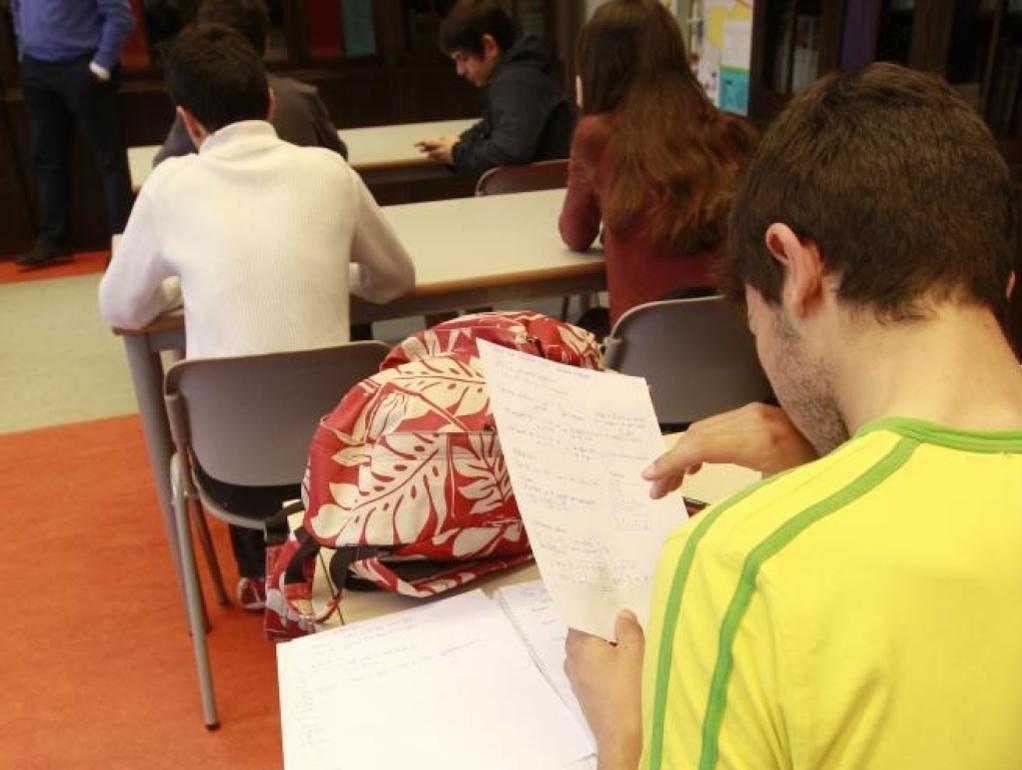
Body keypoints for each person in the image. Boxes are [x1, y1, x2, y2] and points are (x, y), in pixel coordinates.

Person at [564, 64, 1022, 770]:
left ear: (794, 268)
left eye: (755, 327)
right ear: (997, 282)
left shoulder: (741, 566)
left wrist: (624, 737)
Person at [98, 24, 414, 610]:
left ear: (188, 120)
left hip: (230, 475)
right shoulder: (328, 171)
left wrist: (185, 286)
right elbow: (396, 280)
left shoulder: (170, 187)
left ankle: (255, 575)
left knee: (227, 409)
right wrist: (331, 273)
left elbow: (120, 307)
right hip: (342, 465)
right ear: (269, 101)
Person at [558, 0, 755, 327]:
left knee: (588, 323)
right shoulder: (730, 133)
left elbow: (575, 233)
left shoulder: (598, 135)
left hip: (642, 362)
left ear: (596, 68)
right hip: (733, 350)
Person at [11, 0, 135, 270]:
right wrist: (24, 51)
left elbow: (120, 16)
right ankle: (53, 239)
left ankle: (123, 241)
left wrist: (101, 64)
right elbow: (16, 7)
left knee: (109, 159)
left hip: (83, 66)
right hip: (36, 69)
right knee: (45, 158)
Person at [152, 0, 346, 166]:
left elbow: (160, 168)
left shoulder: (198, 109)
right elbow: (339, 157)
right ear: (268, 42)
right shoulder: (302, 99)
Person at [417, 0, 573, 181]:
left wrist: (458, 153)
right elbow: (490, 128)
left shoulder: (516, 81)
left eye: (463, 58)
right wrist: (459, 145)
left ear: (489, 46)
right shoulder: (518, 72)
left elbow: (507, 153)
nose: (460, 71)